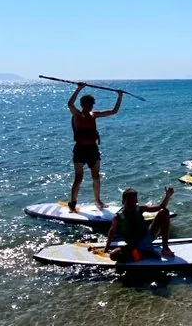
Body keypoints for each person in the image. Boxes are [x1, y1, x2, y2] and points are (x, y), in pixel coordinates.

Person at [67, 83, 123, 211]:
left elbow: (113, 111)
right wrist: (79, 88)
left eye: (92, 104)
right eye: (89, 104)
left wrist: (119, 96)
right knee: (79, 178)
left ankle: (98, 200)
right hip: (80, 149)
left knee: (96, 176)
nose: (91, 106)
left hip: (92, 149)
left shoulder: (94, 115)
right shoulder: (77, 115)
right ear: (83, 105)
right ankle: (72, 202)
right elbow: (70, 104)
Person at [106, 187, 174, 261]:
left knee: (164, 212)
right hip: (133, 245)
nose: (132, 205)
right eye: (129, 202)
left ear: (136, 201)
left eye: (134, 202)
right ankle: (145, 253)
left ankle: (165, 248)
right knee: (113, 255)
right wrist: (107, 248)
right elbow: (111, 232)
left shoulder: (141, 209)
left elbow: (161, 207)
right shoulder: (118, 217)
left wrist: (167, 196)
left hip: (148, 236)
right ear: (123, 202)